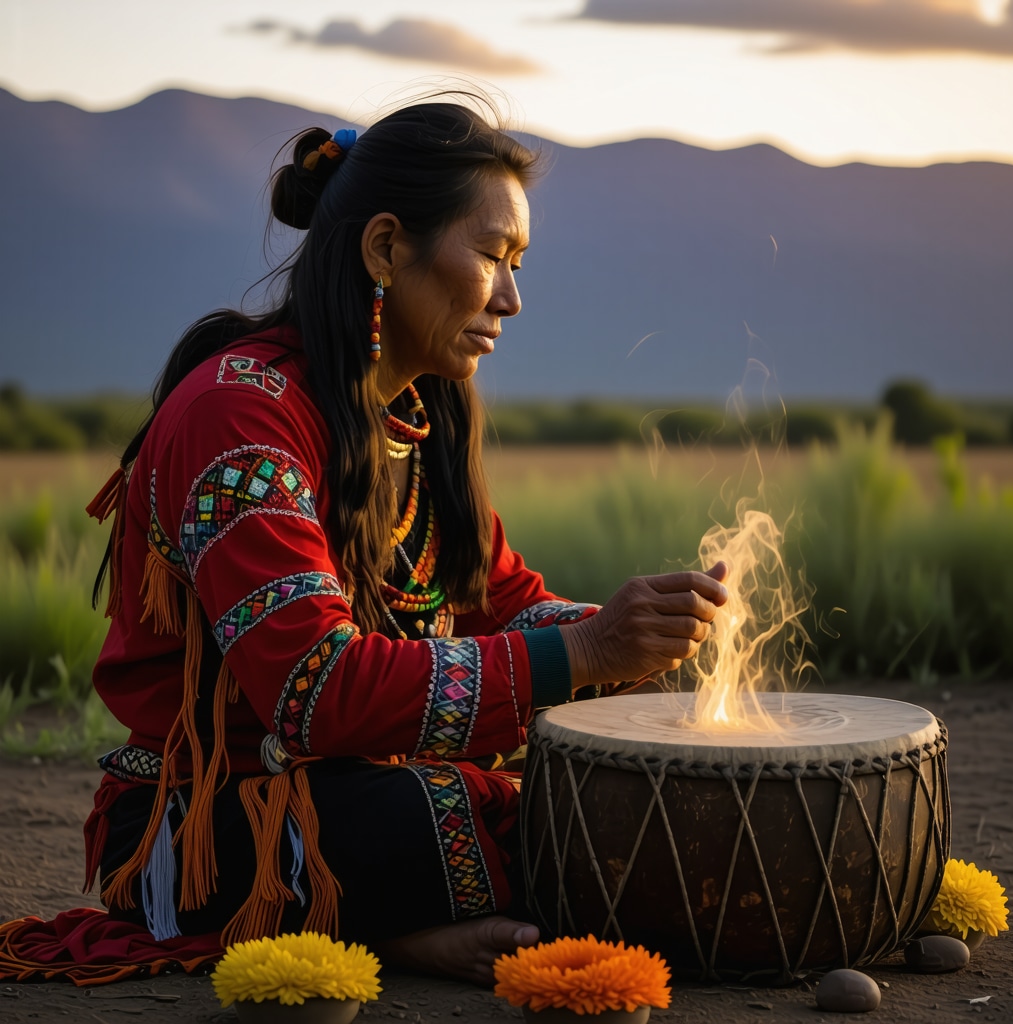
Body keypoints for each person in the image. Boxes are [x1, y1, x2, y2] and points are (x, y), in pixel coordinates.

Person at [71, 99, 729, 986]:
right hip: (201, 814)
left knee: (585, 787)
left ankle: (397, 925)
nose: (512, 296)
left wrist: (642, 636)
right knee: (440, 815)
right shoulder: (240, 418)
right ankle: (392, 935)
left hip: (357, 779)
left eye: (518, 263)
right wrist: (586, 649)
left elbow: (504, 603)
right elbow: (320, 691)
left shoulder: (421, 416)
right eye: (493, 256)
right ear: (385, 249)